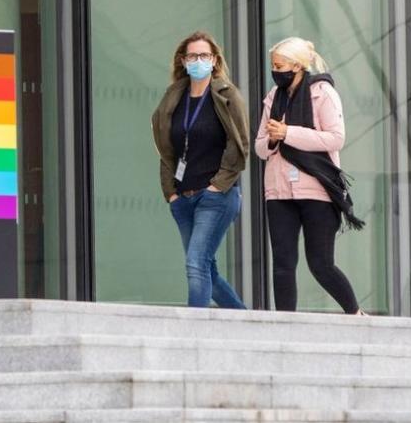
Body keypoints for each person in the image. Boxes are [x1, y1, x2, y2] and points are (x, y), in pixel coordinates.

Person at [254, 37, 366, 315]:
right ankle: (285, 324)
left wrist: (288, 133)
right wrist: (271, 139)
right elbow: (258, 147)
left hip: (317, 190)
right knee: (282, 263)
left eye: (280, 65)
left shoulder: (323, 92)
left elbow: (335, 138)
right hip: (278, 191)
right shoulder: (273, 97)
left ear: (298, 65)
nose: (276, 71)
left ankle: (355, 313)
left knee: (321, 264)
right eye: (273, 66)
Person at [151, 31, 248, 309]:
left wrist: (218, 185)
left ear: (214, 60)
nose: (198, 61)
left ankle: (194, 333)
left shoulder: (226, 96)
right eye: (192, 56)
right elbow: (166, 147)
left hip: (216, 197)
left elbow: (239, 143)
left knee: (196, 263)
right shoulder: (174, 97)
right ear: (182, 60)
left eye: (204, 56)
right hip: (183, 197)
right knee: (208, 271)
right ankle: (246, 323)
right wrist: (170, 192)